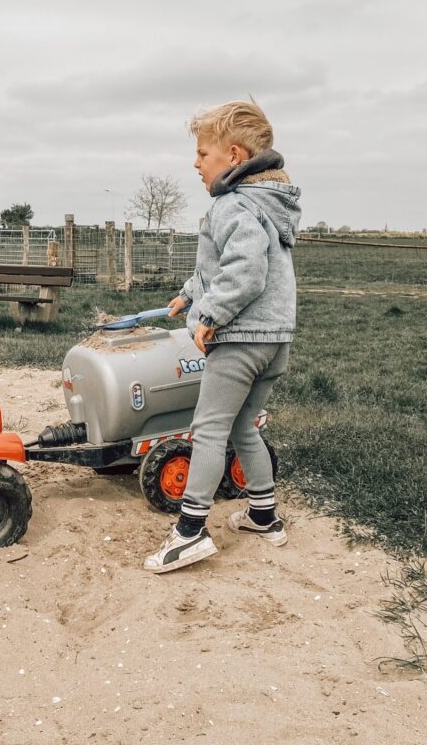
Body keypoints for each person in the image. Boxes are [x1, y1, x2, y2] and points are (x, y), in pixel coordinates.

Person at [144, 100, 301, 573]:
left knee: (207, 429)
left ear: (233, 155)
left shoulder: (231, 205)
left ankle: (190, 532)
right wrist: (189, 294)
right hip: (274, 341)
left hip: (239, 340)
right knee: (243, 427)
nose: (195, 163)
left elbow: (245, 271)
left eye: (202, 154)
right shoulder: (267, 206)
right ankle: (263, 515)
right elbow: (223, 266)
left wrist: (210, 313)